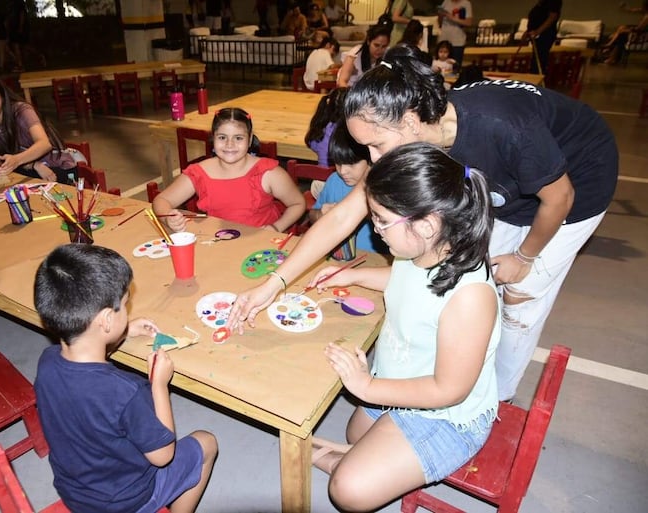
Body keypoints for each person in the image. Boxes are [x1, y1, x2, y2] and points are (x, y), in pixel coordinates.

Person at [229, 45, 619, 403]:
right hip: (509, 185)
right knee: (471, 272)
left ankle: (498, 399)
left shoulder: (500, 126)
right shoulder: (409, 132)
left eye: (378, 145)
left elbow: (559, 197)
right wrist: (273, 284)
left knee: (520, 294)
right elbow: (345, 216)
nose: (373, 158)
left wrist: (524, 255)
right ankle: (458, 373)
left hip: (577, 183)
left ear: (412, 121)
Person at [308, 142, 499, 511]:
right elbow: (405, 281)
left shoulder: (471, 296)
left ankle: (336, 461)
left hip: (446, 416)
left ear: (427, 224)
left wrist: (367, 386)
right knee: (355, 432)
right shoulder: (422, 249)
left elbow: (449, 391)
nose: (374, 228)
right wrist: (355, 276)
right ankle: (352, 454)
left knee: (348, 491)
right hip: (406, 386)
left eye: (380, 219)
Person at [33, 244, 218, 513]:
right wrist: (159, 385)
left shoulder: (47, 362)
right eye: (123, 305)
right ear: (106, 320)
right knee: (206, 442)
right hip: (127, 502)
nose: (127, 309)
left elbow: (88, 353)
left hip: (77, 493)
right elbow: (163, 456)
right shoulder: (125, 391)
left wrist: (122, 331)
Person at [152, 107, 306, 234]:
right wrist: (168, 217)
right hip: (219, 244)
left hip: (261, 248)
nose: (229, 144)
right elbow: (161, 200)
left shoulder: (269, 173)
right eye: (222, 137)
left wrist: (275, 227)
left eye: (238, 138)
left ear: (250, 139)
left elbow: (298, 203)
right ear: (213, 138)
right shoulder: (199, 173)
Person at [0, 71, 78, 185]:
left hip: (60, 169)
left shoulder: (22, 111)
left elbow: (44, 144)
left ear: (3, 97)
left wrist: (17, 160)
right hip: (29, 169)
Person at [310, 120, 385, 253]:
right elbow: (312, 215)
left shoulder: (382, 190)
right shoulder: (334, 181)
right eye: (338, 163)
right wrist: (319, 214)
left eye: (351, 164)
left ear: (371, 159)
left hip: (375, 258)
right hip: (338, 257)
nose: (343, 171)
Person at [305, 86, 348, 166]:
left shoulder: (322, 128)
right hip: (338, 176)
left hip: (321, 174)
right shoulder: (347, 131)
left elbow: (313, 144)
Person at [522, 0, 562, 74]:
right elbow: (538, 19)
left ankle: (537, 79)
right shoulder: (542, 3)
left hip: (544, 35)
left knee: (539, 61)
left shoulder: (553, 2)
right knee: (536, 61)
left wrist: (537, 32)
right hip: (537, 35)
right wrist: (528, 31)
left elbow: (552, 17)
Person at [437, 0, 472, 66]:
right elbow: (440, 22)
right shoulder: (446, 2)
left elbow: (468, 22)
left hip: (457, 41)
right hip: (444, 39)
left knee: (456, 66)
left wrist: (452, 17)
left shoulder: (466, 3)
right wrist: (440, 15)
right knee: (442, 65)